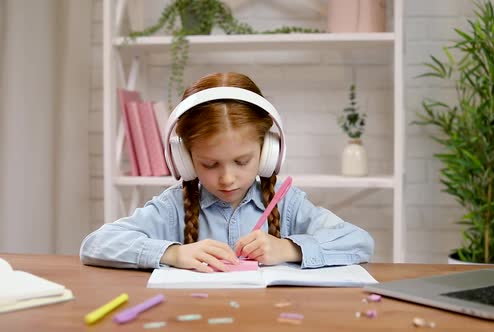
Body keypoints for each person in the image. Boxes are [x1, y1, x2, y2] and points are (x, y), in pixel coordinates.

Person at [80, 72, 374, 273]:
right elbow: (96, 245)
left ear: (268, 151)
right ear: (184, 158)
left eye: (242, 161)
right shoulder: (173, 207)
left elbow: (359, 242)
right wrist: (173, 253)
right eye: (210, 164)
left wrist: (289, 249)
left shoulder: (289, 204)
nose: (227, 178)